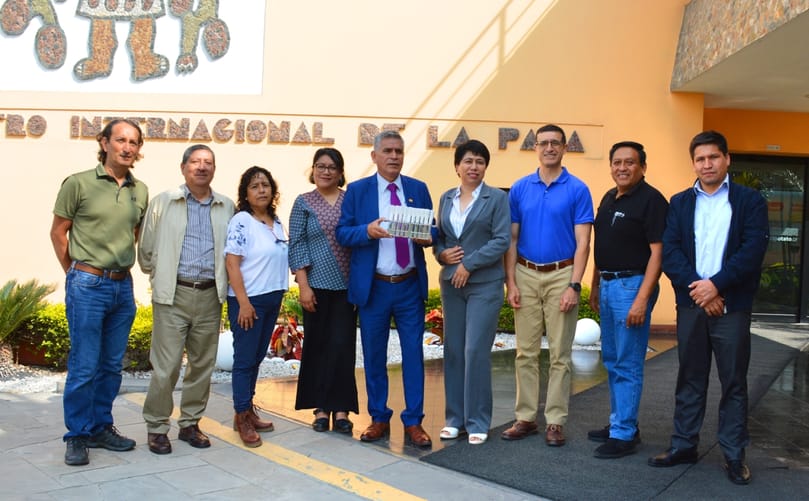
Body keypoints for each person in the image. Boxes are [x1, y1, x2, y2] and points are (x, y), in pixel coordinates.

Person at [648, 130, 769, 485]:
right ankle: (684, 444)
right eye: (700, 159)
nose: (707, 164)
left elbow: (752, 250)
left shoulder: (750, 200)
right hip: (692, 304)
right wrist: (701, 291)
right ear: (694, 163)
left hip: (731, 306)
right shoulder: (681, 201)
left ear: (727, 159)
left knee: (733, 382)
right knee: (690, 378)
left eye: (713, 157)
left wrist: (717, 287)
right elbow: (671, 250)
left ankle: (733, 454)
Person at [50, 118, 149, 466]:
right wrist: (76, 275)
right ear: (104, 143)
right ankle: (76, 435)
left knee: (110, 366)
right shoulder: (77, 184)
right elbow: (59, 232)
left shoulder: (141, 190)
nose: (127, 147)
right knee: (84, 365)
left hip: (123, 287)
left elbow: (133, 236)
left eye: (134, 142)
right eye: (120, 140)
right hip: (88, 284)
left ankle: (100, 427)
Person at [336, 130, 436, 448]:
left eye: (399, 151)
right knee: (374, 356)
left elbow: (433, 231)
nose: (394, 156)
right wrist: (366, 230)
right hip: (375, 287)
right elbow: (342, 233)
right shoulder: (358, 191)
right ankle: (379, 417)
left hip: (408, 286)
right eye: (388, 151)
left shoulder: (417, 189)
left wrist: (428, 237)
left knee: (413, 355)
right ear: (374, 156)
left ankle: (414, 422)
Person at [137, 144, 235, 455]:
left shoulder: (226, 206)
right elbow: (147, 250)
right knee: (165, 367)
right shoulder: (164, 202)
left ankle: (190, 423)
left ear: (214, 169)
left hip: (209, 295)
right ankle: (157, 427)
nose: (202, 167)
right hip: (173, 295)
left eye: (208, 162)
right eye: (195, 162)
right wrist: (163, 278)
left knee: (201, 366)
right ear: (183, 167)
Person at [501, 124, 593, 446]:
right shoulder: (520, 188)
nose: (549, 147)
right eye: (544, 143)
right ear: (535, 148)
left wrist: (574, 285)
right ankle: (526, 418)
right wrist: (510, 282)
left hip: (561, 275)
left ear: (564, 147)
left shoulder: (578, 189)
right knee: (525, 353)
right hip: (525, 273)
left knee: (560, 354)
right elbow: (511, 240)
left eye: (555, 142)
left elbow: (583, 244)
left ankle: (555, 421)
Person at [586, 141, 668, 458]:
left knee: (628, 362)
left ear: (642, 167)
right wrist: (594, 286)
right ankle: (620, 421)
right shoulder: (608, 198)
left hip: (632, 286)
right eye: (617, 162)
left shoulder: (652, 201)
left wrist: (642, 299)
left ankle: (624, 433)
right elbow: (602, 246)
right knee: (612, 359)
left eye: (629, 162)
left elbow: (658, 254)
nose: (622, 167)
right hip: (608, 285)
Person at [433, 140, 510, 445]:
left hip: (485, 284)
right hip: (452, 284)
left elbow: (502, 239)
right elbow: (440, 237)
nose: (473, 167)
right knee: (453, 350)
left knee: (475, 351)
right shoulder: (446, 197)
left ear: (485, 167)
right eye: (467, 161)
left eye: (479, 161)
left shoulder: (497, 199)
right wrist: (441, 255)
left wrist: (469, 263)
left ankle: (477, 420)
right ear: (457, 166)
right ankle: (455, 419)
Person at [289, 147, 358, 433]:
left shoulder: (350, 200)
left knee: (342, 347)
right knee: (317, 346)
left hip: (347, 286)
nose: (325, 171)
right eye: (320, 166)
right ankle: (320, 408)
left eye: (331, 167)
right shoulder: (303, 202)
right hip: (314, 287)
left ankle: (341, 410)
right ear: (313, 170)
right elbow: (297, 243)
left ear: (341, 172)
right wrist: (303, 286)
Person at [225, 166, 289, 448]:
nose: (261, 190)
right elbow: (232, 263)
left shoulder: (276, 222)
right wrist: (243, 303)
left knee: (257, 357)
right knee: (244, 360)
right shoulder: (242, 221)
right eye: (254, 186)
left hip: (271, 299)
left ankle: (249, 409)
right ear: (246, 194)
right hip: (248, 302)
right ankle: (241, 416)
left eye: (265, 184)